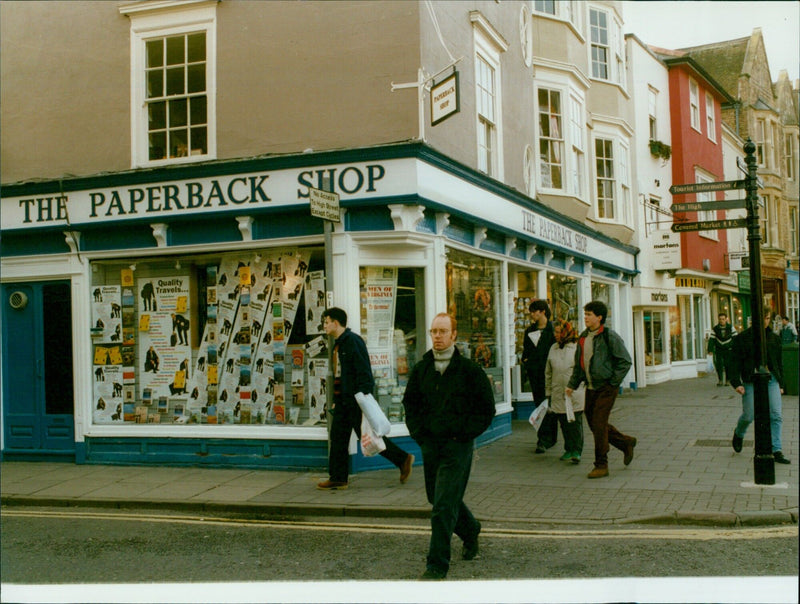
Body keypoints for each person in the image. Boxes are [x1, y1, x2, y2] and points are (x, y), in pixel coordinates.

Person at [402, 313, 496, 580]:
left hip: (458, 447)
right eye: (434, 331)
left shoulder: (469, 371)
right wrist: (419, 435)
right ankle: (471, 529)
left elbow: (485, 410)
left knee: (443, 505)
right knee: (437, 498)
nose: (438, 336)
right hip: (431, 445)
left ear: (454, 335)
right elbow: (411, 405)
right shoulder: (422, 369)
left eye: (443, 331)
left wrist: (463, 434)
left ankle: (437, 565)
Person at [316, 307, 414, 490]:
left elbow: (364, 372)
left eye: (326, 321)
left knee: (369, 437)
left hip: (354, 401)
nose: (325, 325)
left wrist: (362, 398)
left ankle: (403, 458)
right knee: (338, 438)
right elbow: (340, 376)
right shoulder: (338, 344)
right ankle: (338, 477)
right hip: (343, 401)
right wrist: (336, 399)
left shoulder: (352, 342)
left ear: (335, 323)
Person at [565, 301, 635, 479]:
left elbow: (625, 361)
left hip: (606, 387)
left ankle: (601, 464)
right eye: (585, 314)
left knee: (598, 423)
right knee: (595, 424)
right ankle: (626, 442)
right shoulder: (583, 337)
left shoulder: (609, 336)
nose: (586, 317)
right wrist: (572, 385)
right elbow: (579, 366)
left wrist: (613, 382)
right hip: (590, 387)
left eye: (589, 314)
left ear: (599, 317)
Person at [729, 310, 790, 464]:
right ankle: (739, 433)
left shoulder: (774, 338)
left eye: (767, 318)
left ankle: (776, 449)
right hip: (751, 381)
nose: (764, 321)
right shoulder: (743, 338)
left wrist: (782, 384)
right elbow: (734, 362)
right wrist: (736, 383)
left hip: (771, 380)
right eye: (761, 317)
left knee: (776, 414)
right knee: (749, 415)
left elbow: (778, 363)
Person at [545, 319, 583, 464]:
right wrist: (548, 391)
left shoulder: (576, 347)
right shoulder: (553, 348)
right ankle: (568, 449)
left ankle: (577, 451)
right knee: (563, 422)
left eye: (558, 331)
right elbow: (548, 372)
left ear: (565, 332)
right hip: (558, 391)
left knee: (575, 422)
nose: (555, 334)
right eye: (555, 331)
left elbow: (581, 369)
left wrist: (578, 386)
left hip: (574, 391)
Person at [521, 299, 557, 453]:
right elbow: (526, 351)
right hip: (536, 374)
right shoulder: (529, 331)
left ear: (542, 311)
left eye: (534, 312)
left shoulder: (554, 329)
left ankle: (550, 438)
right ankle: (542, 438)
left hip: (552, 374)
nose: (532, 315)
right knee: (540, 406)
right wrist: (527, 362)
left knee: (551, 407)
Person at [710, 313, 736, 386]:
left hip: (728, 349)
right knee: (719, 365)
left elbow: (735, 338)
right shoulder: (715, 328)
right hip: (719, 349)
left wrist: (736, 348)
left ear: (726, 319)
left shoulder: (730, 327)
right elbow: (712, 339)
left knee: (728, 365)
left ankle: (728, 380)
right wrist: (710, 350)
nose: (721, 321)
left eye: (723, 319)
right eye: (720, 319)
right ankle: (720, 380)